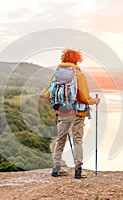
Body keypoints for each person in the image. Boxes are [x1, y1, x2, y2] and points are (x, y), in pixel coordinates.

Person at [46, 48, 100, 179]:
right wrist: (94, 101)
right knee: (77, 140)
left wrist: (60, 106)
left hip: (62, 112)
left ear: (64, 59)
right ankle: (78, 170)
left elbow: (49, 95)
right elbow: (84, 97)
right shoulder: (79, 75)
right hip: (78, 112)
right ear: (77, 60)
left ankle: (56, 168)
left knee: (60, 139)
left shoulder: (56, 75)